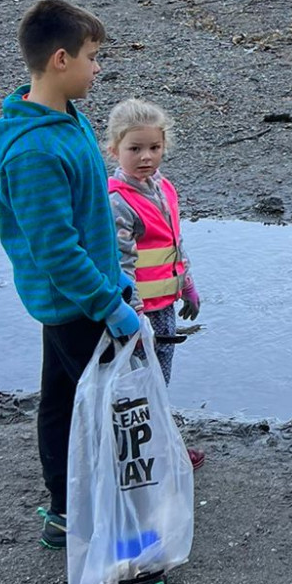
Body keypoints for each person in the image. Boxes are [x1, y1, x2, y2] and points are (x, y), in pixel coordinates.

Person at [0, 0, 163, 584]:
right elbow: (56, 251)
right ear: (60, 60)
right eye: (91, 57)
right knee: (108, 423)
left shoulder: (68, 119)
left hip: (86, 295)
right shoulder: (34, 150)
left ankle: (63, 512)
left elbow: (89, 219)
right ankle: (127, 553)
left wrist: (117, 279)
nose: (97, 68)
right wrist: (109, 305)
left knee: (61, 402)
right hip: (75, 304)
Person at [105, 97, 202, 432]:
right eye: (135, 149)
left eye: (154, 148)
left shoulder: (164, 189)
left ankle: (156, 438)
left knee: (160, 375)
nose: (146, 156)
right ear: (114, 150)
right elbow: (121, 262)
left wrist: (187, 284)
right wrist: (132, 314)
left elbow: (174, 242)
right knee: (140, 379)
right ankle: (149, 441)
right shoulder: (118, 201)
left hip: (164, 306)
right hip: (139, 312)